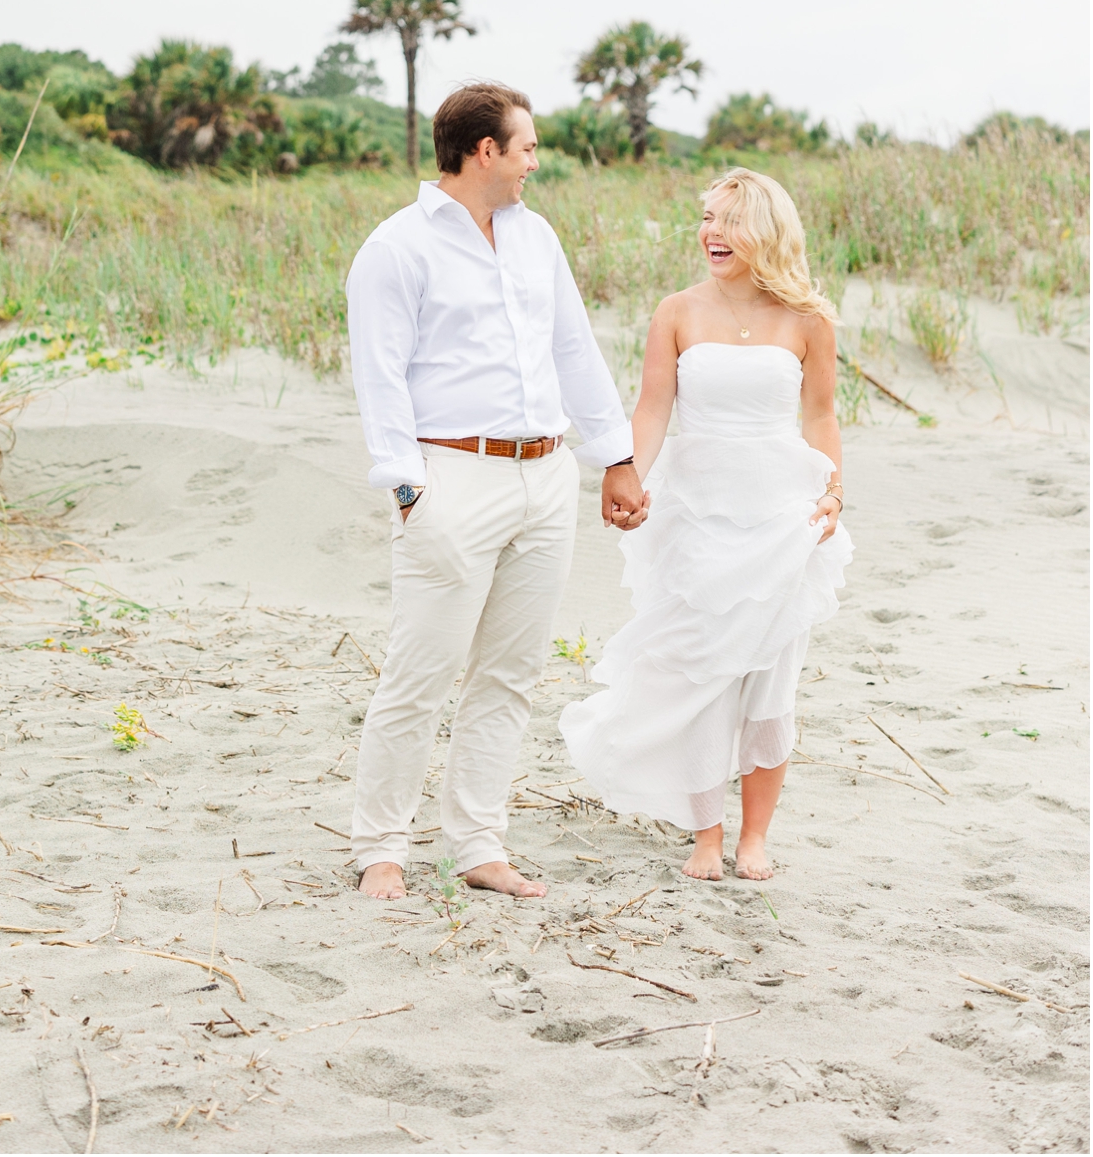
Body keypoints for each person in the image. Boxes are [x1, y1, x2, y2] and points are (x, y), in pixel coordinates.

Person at [346, 81, 639, 902]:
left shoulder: (534, 237)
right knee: (420, 671)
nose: (534, 164)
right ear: (486, 152)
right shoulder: (397, 247)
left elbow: (574, 350)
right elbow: (380, 375)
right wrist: (408, 489)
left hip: (546, 476)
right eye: (528, 148)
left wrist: (613, 454)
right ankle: (382, 848)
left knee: (508, 674)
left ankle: (478, 842)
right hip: (452, 477)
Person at [560, 168, 852, 881]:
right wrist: (626, 470)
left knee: (768, 678)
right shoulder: (678, 311)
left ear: (767, 231)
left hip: (782, 516)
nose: (711, 232)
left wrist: (833, 494)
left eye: (729, 220)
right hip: (696, 513)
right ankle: (707, 835)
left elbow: (820, 416)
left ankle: (755, 836)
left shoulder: (809, 318)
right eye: (706, 218)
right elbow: (654, 406)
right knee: (702, 673)